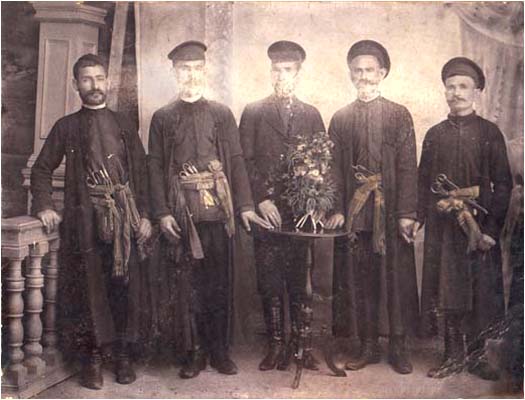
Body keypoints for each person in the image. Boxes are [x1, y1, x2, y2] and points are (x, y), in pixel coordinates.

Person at [148, 40, 270, 379]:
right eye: (184, 69)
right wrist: (162, 213)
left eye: (197, 69)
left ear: (205, 72)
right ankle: (194, 352)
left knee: (219, 283)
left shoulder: (221, 114)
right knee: (188, 286)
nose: (191, 75)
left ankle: (219, 351)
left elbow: (236, 161)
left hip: (219, 213)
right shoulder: (162, 118)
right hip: (182, 214)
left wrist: (245, 206)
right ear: (174, 73)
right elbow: (154, 167)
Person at [30, 54, 152, 389]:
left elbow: (142, 173)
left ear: (107, 82)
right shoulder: (66, 126)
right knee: (89, 289)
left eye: (99, 78)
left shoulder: (124, 124)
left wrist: (145, 215)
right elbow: (41, 169)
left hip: (124, 218)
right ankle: (92, 359)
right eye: (86, 79)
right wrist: (44, 206)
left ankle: (123, 356)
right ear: (76, 85)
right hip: (86, 220)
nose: (94, 85)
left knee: (124, 287)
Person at [325, 40, 420, 375]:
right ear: (350, 74)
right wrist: (337, 209)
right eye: (357, 70)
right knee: (361, 278)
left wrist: (406, 213)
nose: (363, 76)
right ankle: (367, 345)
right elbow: (333, 169)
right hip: (356, 210)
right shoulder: (340, 118)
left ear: (382, 73)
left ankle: (398, 346)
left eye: (369, 70)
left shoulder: (398, 114)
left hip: (390, 209)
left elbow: (408, 166)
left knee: (394, 277)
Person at [418, 57, 512, 380]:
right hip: (444, 228)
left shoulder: (490, 133)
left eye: (463, 86)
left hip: (478, 227)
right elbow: (423, 182)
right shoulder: (434, 135)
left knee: (479, 291)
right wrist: (418, 218)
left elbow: (503, 185)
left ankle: (476, 356)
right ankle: (451, 355)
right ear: (444, 91)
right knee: (447, 290)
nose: (456, 93)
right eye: (451, 86)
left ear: (477, 92)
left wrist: (491, 230)